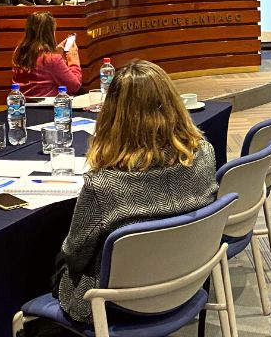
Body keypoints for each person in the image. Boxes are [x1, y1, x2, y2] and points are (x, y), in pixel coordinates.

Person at [54, 60, 219, 324]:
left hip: (114, 302)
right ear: (174, 104)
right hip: (188, 282)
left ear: (113, 115)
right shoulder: (205, 155)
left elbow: (75, 256)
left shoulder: (103, 185)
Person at [11, 11, 82, 97]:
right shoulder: (51, 59)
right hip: (48, 104)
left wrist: (55, 53)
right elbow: (74, 86)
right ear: (50, 33)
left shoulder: (20, 52)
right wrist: (73, 58)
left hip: (23, 103)